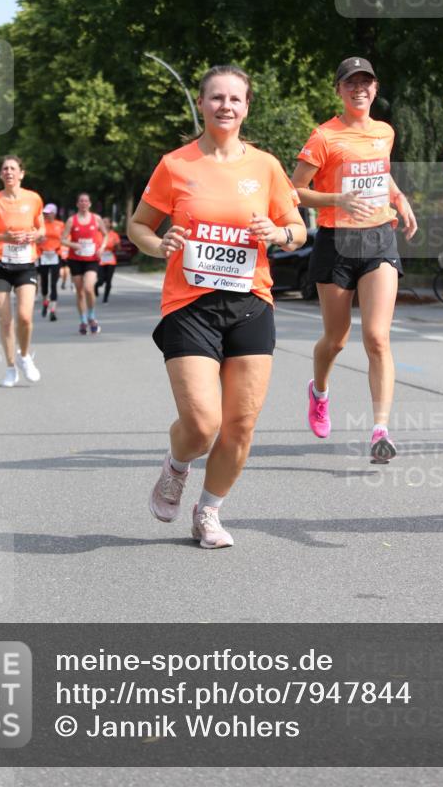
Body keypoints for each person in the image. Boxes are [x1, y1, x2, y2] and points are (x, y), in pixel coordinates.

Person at [128, 65, 305, 549]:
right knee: (203, 423)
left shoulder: (266, 166)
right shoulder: (176, 165)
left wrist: (279, 234)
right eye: (216, 98)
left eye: (235, 99)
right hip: (190, 305)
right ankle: (177, 464)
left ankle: (208, 512)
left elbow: (298, 229)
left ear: (247, 107)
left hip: (251, 303)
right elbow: (139, 226)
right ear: (202, 104)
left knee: (241, 424)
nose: (226, 106)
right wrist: (158, 243)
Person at [291, 56, 418, 464]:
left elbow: (381, 173)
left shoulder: (384, 132)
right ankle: (320, 391)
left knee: (378, 338)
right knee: (337, 338)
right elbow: (295, 191)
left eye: (366, 83)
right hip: (337, 243)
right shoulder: (324, 137)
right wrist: (337, 199)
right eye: (351, 83)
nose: (359, 89)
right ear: (339, 90)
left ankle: (381, 429)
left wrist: (399, 198)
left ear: (375, 90)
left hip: (379, 237)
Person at [0, 155, 44, 387]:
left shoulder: (33, 199)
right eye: (5, 169)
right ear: (0, 175)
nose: (9, 172)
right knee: (5, 321)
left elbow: (41, 230)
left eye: (13, 168)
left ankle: (24, 357)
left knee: (25, 316)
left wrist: (36, 235)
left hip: (25, 263)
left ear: (21, 173)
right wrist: (3, 237)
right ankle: (10, 367)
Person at [62, 193, 105, 335]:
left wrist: (102, 248)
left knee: (88, 288)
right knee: (80, 292)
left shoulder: (96, 219)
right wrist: (73, 244)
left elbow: (106, 235)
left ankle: (92, 316)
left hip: (92, 259)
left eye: (86, 201)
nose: (83, 203)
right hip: (75, 259)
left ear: (90, 204)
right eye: (81, 201)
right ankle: (83, 320)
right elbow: (63, 240)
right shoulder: (71, 220)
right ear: (77, 204)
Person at [37, 203, 65, 321]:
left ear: (54, 213)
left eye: (49, 213)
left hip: (55, 255)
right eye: (45, 213)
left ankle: (53, 309)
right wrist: (39, 239)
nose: (46, 215)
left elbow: (65, 239)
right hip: (43, 255)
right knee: (44, 282)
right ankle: (45, 302)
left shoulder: (60, 225)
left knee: (53, 283)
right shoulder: (41, 225)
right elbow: (35, 239)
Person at [95, 217, 121, 303]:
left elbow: (119, 248)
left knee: (109, 280)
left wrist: (117, 245)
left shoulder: (114, 235)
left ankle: (105, 298)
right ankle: (96, 286)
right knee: (101, 280)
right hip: (100, 259)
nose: (104, 224)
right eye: (103, 222)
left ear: (110, 224)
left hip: (110, 259)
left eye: (106, 222)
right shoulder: (97, 234)